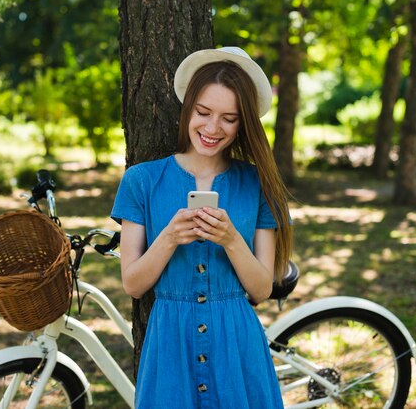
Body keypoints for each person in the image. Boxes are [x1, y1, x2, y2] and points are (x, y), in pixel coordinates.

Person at [111, 46, 292, 408]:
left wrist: (230, 240)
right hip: (169, 349)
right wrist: (169, 237)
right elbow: (133, 284)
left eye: (229, 118)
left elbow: (260, 289)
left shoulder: (257, 184)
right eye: (203, 112)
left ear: (244, 124)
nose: (212, 128)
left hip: (237, 349)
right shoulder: (141, 181)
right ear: (188, 108)